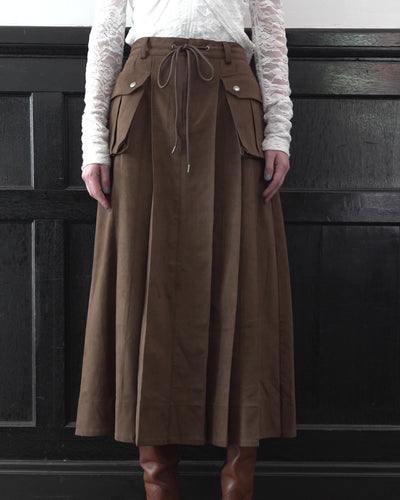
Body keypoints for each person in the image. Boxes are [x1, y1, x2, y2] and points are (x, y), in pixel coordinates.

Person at [75, 0, 297, 498]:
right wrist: (93, 140)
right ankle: (158, 485)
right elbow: (106, 32)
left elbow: (270, 32)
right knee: (141, 287)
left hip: (233, 106)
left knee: (245, 287)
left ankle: (238, 485)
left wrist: (279, 130)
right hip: (141, 106)